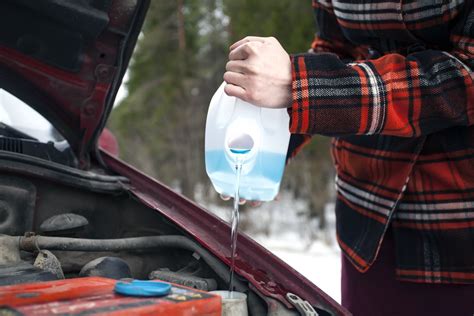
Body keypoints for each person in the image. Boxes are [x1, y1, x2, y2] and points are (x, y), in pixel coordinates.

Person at [223, 1, 474, 315]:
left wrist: (303, 84)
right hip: (365, 214)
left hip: (457, 223)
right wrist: (272, 139)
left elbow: (466, 75)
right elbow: (337, 48)